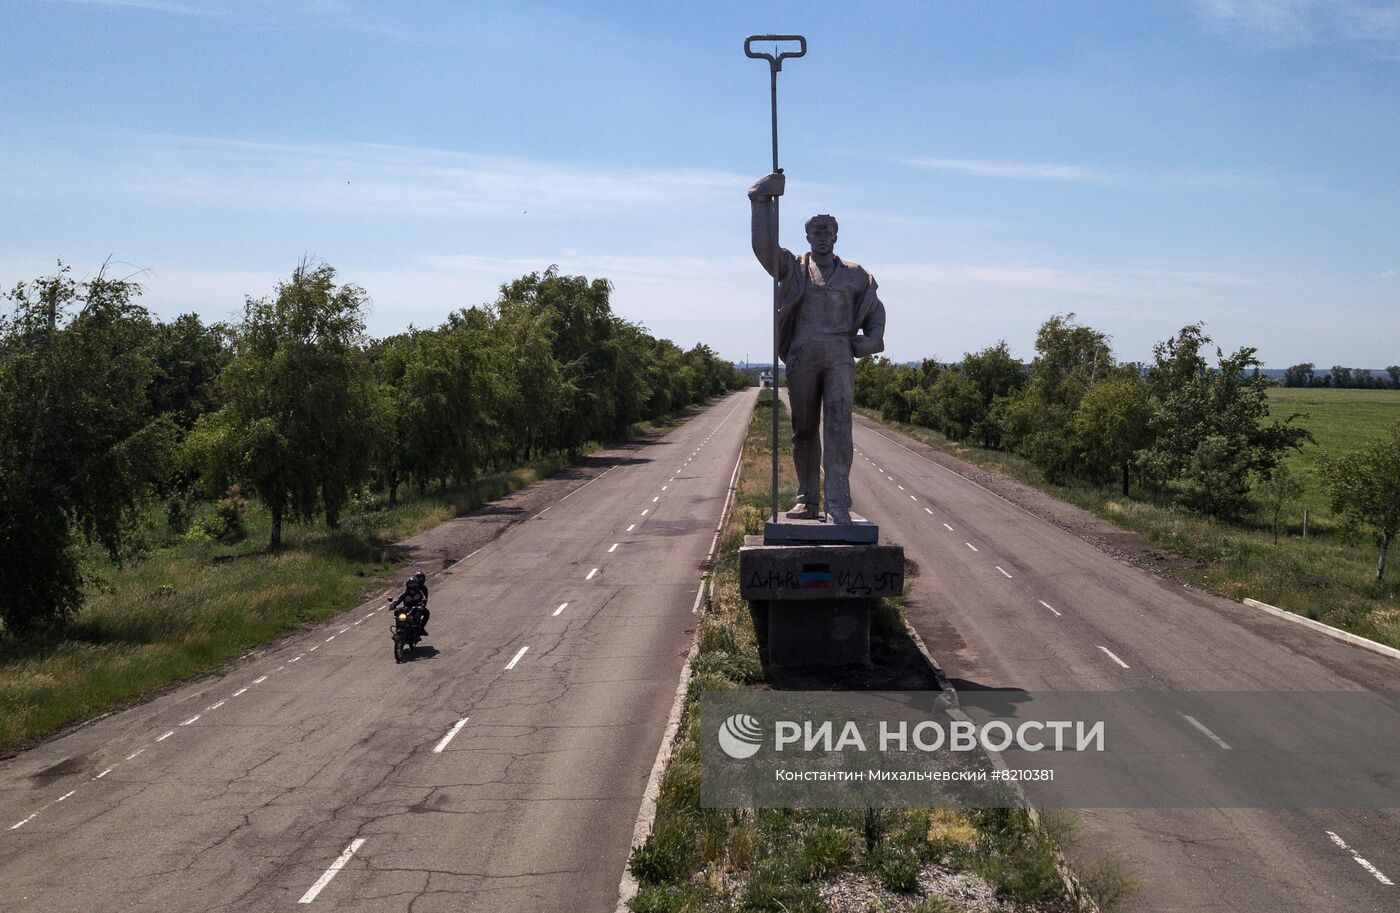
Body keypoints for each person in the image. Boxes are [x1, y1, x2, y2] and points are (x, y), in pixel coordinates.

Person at [749, 171, 886, 524]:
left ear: (836, 237)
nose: (822, 238)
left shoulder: (856, 275)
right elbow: (764, 249)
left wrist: (870, 342)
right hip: (802, 353)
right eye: (816, 232)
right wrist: (761, 200)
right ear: (807, 236)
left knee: (839, 425)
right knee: (804, 429)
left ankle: (838, 498)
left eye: (828, 233)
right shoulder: (795, 268)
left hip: (840, 353)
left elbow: (876, 313)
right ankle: (807, 498)